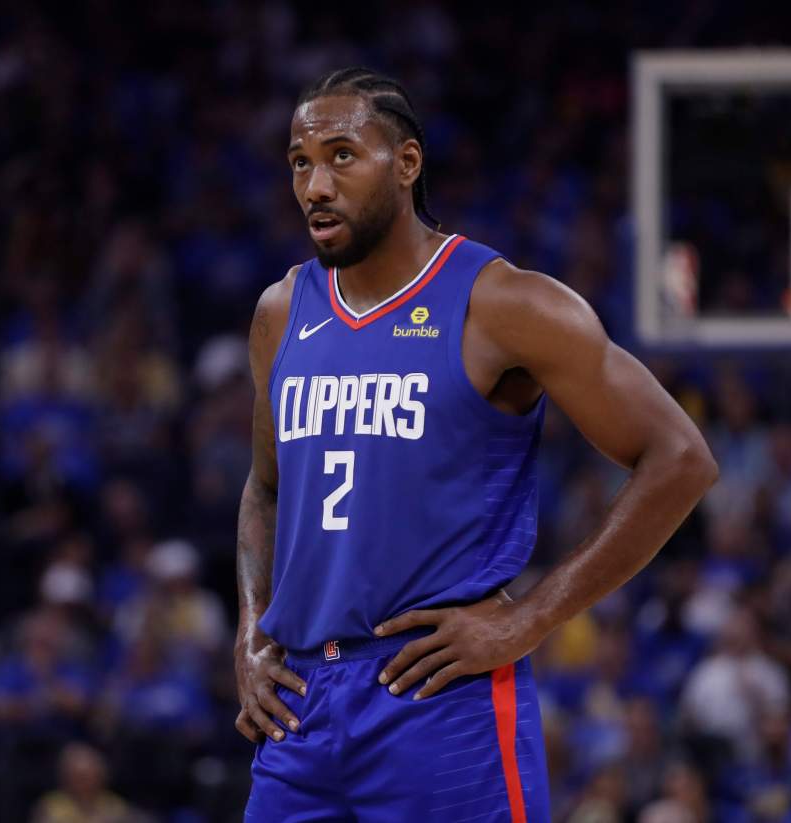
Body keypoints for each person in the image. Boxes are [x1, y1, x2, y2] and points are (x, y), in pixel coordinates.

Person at [234, 67, 718, 821]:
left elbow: (681, 458)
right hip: (301, 711)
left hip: (439, 701)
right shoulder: (280, 312)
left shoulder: (505, 302)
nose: (315, 185)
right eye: (301, 163)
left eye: (340, 156)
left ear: (406, 164)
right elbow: (265, 488)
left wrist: (529, 617)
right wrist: (251, 633)